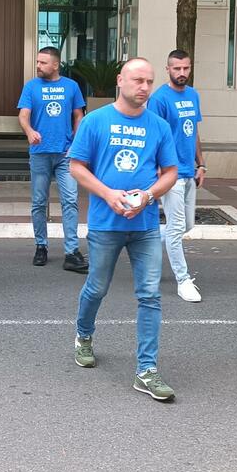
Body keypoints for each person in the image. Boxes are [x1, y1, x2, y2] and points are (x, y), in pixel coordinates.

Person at [68, 58, 179, 401]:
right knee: (97, 287)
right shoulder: (95, 121)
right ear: (120, 81)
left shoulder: (159, 126)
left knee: (150, 295)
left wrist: (148, 196)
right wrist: (108, 194)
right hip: (106, 224)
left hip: (145, 225)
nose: (144, 87)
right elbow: (76, 166)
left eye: (149, 81)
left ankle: (146, 370)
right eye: (137, 80)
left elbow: (171, 172)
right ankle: (84, 335)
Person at [17, 46, 88, 273]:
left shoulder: (71, 86)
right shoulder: (31, 86)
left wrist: (76, 143)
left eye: (43, 62)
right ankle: (41, 246)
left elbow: (79, 116)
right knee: (39, 202)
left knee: (70, 201)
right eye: (38, 62)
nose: (38, 66)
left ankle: (72, 251)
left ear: (55, 65)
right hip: (40, 153)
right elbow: (23, 115)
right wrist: (29, 131)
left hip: (65, 154)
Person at [147, 49, 206, 302]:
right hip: (170, 173)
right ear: (168, 69)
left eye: (186, 68)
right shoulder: (159, 99)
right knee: (176, 228)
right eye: (177, 68)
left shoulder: (193, 95)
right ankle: (183, 280)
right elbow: (154, 135)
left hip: (189, 171)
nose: (182, 73)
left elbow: (193, 132)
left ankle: (147, 242)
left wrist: (201, 164)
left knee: (186, 225)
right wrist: (158, 168)